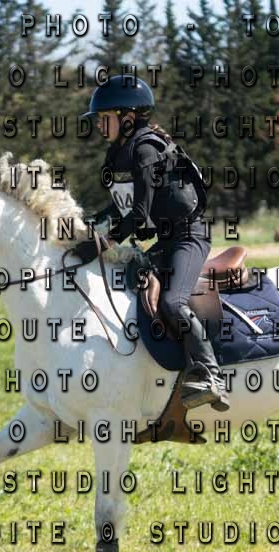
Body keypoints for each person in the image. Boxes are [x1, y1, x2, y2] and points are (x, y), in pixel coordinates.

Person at [75, 75, 230, 412]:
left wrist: (103, 243)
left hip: (189, 237)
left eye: (105, 118)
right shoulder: (119, 152)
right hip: (166, 239)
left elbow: (139, 213)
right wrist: (84, 225)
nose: (99, 125)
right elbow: (120, 207)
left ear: (128, 118)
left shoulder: (145, 151)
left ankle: (211, 374)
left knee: (173, 302)